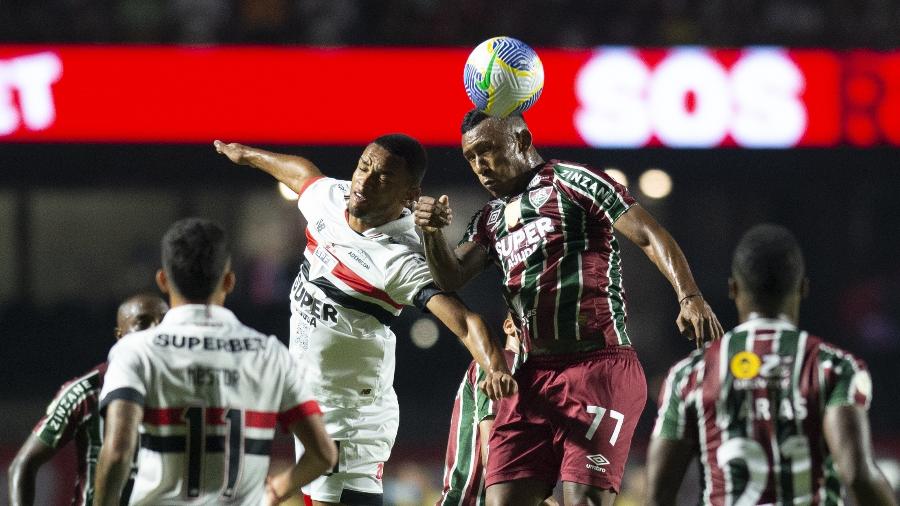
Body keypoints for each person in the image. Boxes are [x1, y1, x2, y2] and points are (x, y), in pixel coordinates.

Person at [414, 109, 723, 506]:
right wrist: (432, 235)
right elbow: (451, 278)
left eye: (487, 150)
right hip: (530, 377)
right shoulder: (490, 219)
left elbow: (647, 234)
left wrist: (689, 296)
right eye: (471, 157)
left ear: (522, 140)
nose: (479, 166)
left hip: (597, 368)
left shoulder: (575, 182)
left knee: (585, 501)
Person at [214, 135, 516, 506]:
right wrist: (246, 155)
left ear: (409, 194)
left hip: (349, 419)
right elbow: (302, 174)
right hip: (311, 404)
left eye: (384, 177)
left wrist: (496, 368)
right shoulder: (332, 200)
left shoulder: (399, 258)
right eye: (364, 166)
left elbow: (465, 321)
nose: (365, 181)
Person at [92, 218, 337, 505]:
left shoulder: (136, 351)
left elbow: (118, 453)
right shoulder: (270, 354)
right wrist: (278, 488)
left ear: (162, 280)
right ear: (229, 281)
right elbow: (323, 454)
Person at [647, 224, 896, 505]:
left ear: (733, 288)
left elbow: (659, 495)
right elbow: (859, 476)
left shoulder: (690, 374)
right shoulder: (832, 367)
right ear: (802, 288)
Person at [7, 294, 168, 506]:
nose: (154, 331)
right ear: (119, 335)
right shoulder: (87, 390)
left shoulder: (186, 387)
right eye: (143, 323)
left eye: (163, 323)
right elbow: (23, 464)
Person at [438, 314, 558, 506]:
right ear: (509, 326)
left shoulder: (532, 376)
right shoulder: (501, 363)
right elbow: (494, 452)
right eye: (532, 320)